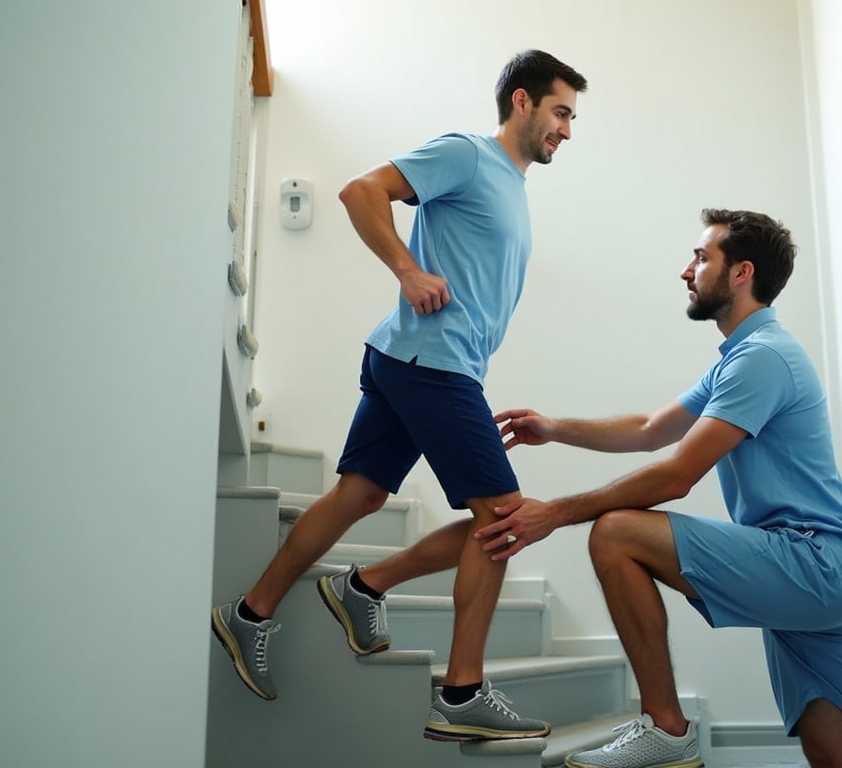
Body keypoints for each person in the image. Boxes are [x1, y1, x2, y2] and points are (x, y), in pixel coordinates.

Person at [211, 49, 588, 743]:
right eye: (562, 112)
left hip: (416, 359)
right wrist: (408, 269)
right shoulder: (469, 155)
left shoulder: (510, 184)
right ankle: (462, 692)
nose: (568, 129)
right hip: (430, 364)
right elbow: (362, 192)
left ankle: (260, 610)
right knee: (504, 518)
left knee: (360, 495)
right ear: (522, 102)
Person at [478, 209, 842, 768]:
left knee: (615, 534)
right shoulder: (744, 357)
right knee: (835, 758)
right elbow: (648, 430)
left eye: (701, 257)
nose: (687, 271)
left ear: (741, 273)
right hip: (824, 572)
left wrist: (557, 513)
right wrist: (554, 429)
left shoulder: (762, 359)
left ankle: (666, 729)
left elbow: (676, 476)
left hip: (809, 559)